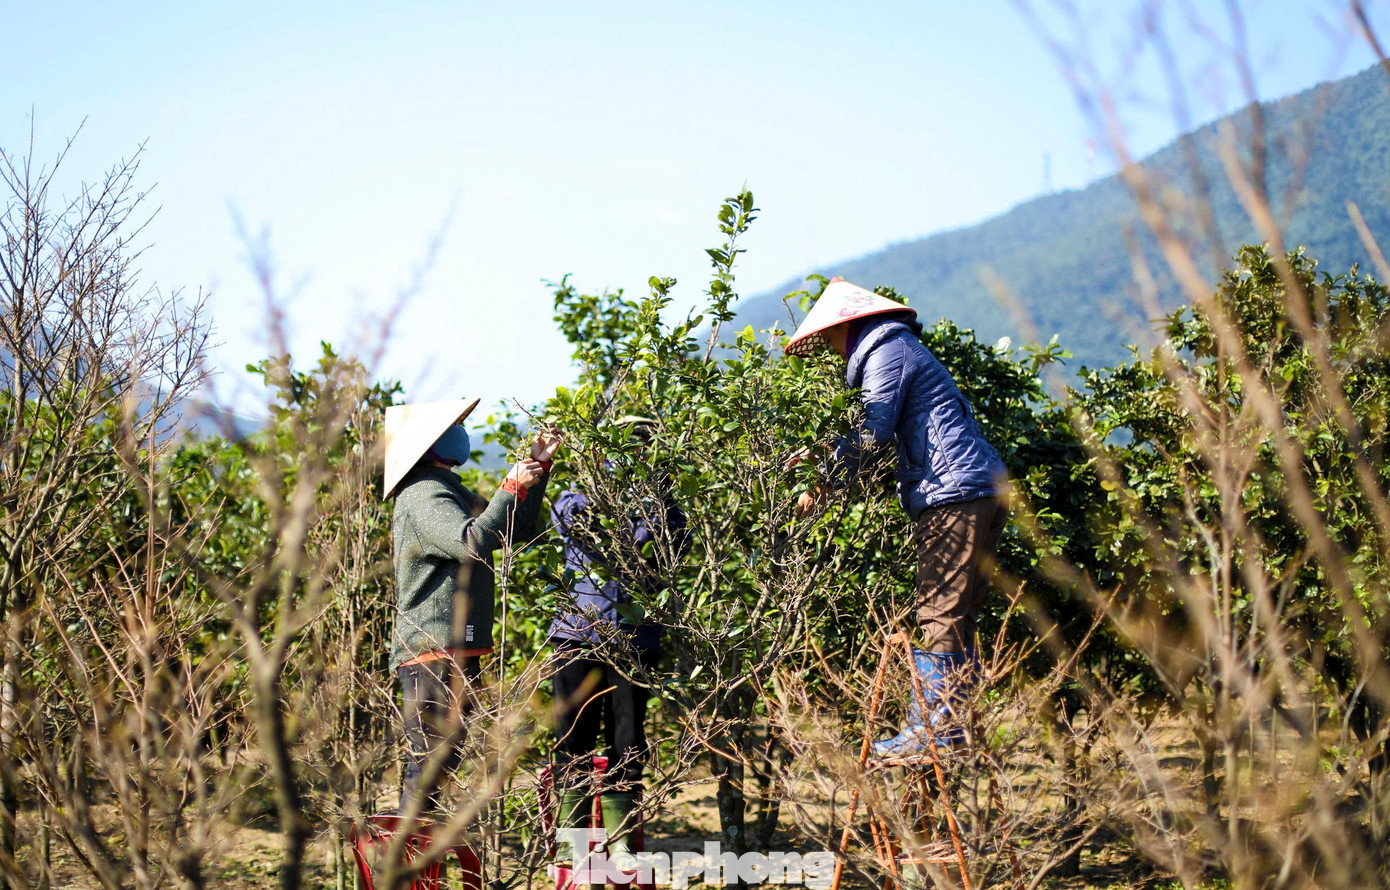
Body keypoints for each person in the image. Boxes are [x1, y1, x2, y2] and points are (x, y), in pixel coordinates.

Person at [784, 279, 1008, 758]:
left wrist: (823, 484)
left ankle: (933, 733)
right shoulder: (894, 349)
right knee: (958, 615)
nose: (830, 349)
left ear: (846, 326)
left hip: (952, 490)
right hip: (975, 485)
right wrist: (820, 452)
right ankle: (955, 731)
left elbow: (873, 430)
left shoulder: (885, 350)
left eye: (828, 338)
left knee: (939, 612)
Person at [382, 398, 559, 814]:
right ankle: (407, 847)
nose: (460, 432)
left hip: (451, 648)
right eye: (452, 427)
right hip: (431, 649)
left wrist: (535, 472)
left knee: (442, 757)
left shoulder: (447, 489)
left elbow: (511, 528)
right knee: (431, 760)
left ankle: (416, 844)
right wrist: (510, 487)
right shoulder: (423, 493)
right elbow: (472, 541)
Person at [547, 417, 687, 870]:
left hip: (634, 634)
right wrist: (610, 495)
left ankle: (620, 837)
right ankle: (572, 837)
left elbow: (666, 543)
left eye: (645, 444)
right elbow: (571, 517)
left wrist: (650, 498)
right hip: (578, 631)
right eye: (628, 444)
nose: (636, 452)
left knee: (627, 737)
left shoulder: (663, 504)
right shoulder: (580, 494)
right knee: (573, 734)